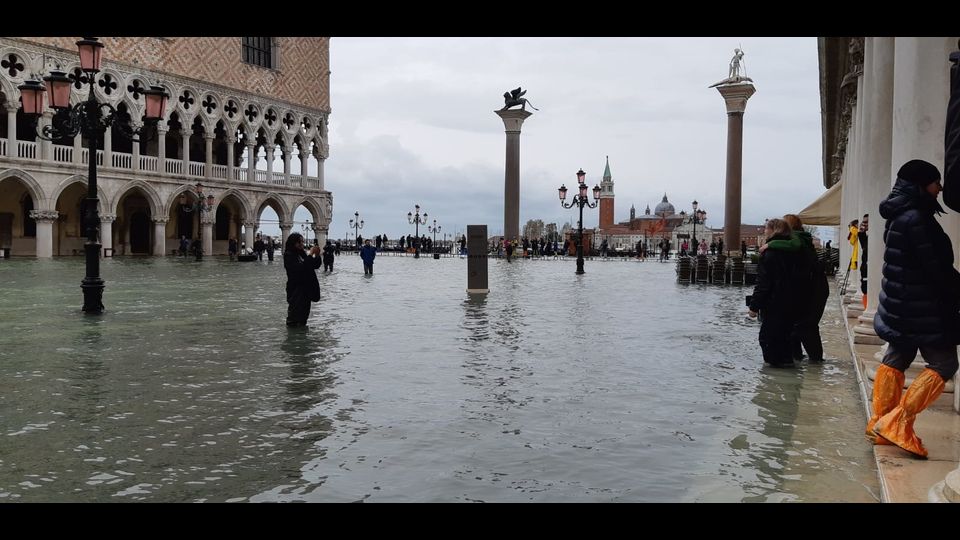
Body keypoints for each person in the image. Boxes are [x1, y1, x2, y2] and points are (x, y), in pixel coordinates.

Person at [869, 160, 960, 458]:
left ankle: (879, 423)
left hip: (901, 303)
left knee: (896, 357)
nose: (940, 188)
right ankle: (896, 423)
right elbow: (936, 269)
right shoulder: (917, 218)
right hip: (923, 306)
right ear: (921, 184)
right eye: (936, 182)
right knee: (945, 364)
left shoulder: (899, 214)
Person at [762, 214, 829, 363]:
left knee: (804, 326)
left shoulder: (796, 240)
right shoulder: (803, 238)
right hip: (815, 287)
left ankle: (812, 362)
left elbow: (794, 247)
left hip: (811, 289)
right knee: (801, 326)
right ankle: (805, 361)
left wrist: (770, 245)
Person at [747, 218, 801, 367]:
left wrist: (753, 306)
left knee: (767, 339)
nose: (764, 231)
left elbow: (764, 283)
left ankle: (773, 378)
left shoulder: (770, 253)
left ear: (773, 230)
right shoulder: (795, 251)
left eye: (766, 228)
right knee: (785, 338)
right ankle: (789, 375)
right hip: (792, 301)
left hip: (774, 303)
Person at [283, 232, 322, 327]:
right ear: (293, 243)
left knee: (304, 316)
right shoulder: (289, 255)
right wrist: (310, 254)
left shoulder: (302, 254)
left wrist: (317, 255)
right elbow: (300, 269)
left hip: (305, 290)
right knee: (294, 317)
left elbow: (314, 265)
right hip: (295, 290)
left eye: (302, 242)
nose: (302, 244)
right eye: (299, 242)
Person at [858, 214, 869, 308]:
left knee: (866, 289)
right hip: (864, 269)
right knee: (864, 289)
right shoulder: (867, 237)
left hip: (870, 270)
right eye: (863, 222)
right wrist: (861, 234)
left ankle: (867, 310)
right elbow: (864, 248)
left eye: (866, 222)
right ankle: (866, 309)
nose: (864, 224)